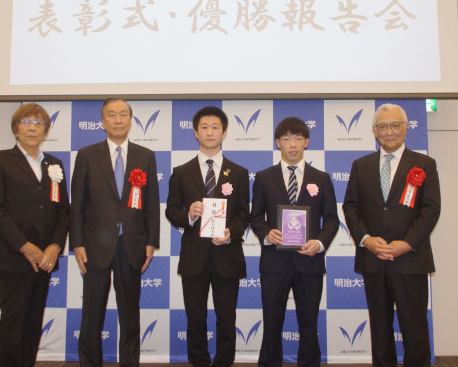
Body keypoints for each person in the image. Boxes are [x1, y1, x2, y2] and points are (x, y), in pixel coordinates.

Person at [342, 103, 441, 367]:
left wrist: (407, 244)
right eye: (383, 126)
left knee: (415, 330)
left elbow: (431, 210)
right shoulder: (361, 165)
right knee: (380, 329)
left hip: (410, 261)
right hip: (373, 260)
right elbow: (350, 207)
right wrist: (365, 240)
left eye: (395, 125)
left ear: (406, 128)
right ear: (375, 131)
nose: (389, 132)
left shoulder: (424, 164)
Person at [70, 98, 160, 367]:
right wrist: (77, 243)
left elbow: (152, 203)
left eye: (123, 115)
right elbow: (77, 204)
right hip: (95, 246)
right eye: (112, 115)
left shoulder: (145, 156)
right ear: (102, 122)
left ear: (131, 120)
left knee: (130, 315)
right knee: (91, 316)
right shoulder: (87, 155)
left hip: (132, 245)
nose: (118, 120)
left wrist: (152, 242)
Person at [0, 103, 69, 367]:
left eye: (39, 122)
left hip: (44, 258)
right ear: (15, 129)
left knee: (33, 319)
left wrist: (55, 246)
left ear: (46, 130)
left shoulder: (54, 164)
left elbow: (63, 211)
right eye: (26, 121)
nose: (32, 127)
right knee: (13, 320)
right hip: (13, 256)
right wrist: (25, 246)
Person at [250, 117, 339, 367]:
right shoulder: (264, 177)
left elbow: (332, 220)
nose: (293, 144)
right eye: (287, 139)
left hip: (309, 262)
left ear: (306, 142)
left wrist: (319, 243)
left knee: (309, 323)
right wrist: (266, 233)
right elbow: (255, 217)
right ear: (278, 142)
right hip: (274, 263)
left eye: (298, 139)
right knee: (271, 322)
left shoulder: (321, 178)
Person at [165, 106, 250, 367]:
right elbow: (171, 211)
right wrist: (189, 215)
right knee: (195, 318)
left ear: (224, 132)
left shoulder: (239, 172)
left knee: (227, 318)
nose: (210, 132)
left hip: (227, 254)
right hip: (194, 257)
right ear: (195, 132)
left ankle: (224, 363)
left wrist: (231, 233)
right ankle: (199, 362)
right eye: (204, 127)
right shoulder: (181, 171)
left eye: (215, 127)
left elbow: (244, 214)